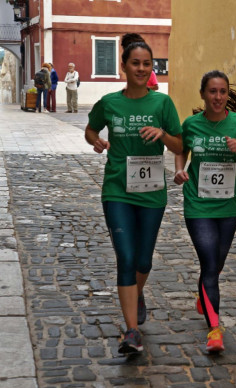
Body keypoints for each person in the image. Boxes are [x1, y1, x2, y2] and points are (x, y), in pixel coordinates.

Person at [84, 38, 183, 354]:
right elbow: (90, 129)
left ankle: (137, 293)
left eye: (146, 63)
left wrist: (163, 135)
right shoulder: (110, 102)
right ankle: (131, 331)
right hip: (117, 191)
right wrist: (96, 141)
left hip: (152, 192)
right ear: (123, 66)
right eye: (135, 63)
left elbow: (181, 145)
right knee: (126, 258)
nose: (141, 68)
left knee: (143, 259)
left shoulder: (162, 104)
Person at [174, 70, 236, 353]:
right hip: (198, 204)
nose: (218, 97)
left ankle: (204, 294)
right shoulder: (191, 124)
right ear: (203, 94)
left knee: (215, 263)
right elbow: (181, 149)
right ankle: (215, 329)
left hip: (229, 205)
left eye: (223, 92)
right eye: (212, 92)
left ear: (228, 94)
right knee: (210, 265)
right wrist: (179, 169)